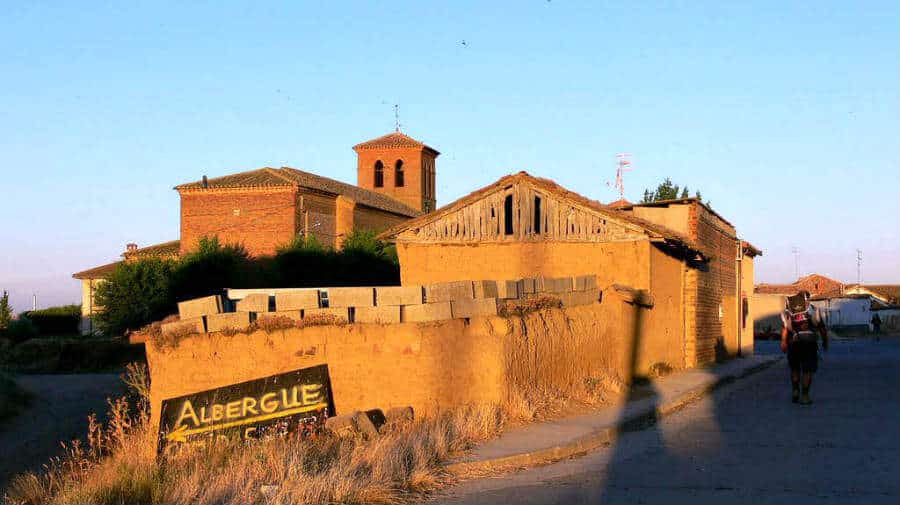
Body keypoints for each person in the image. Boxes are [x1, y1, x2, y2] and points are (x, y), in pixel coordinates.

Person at [781, 290, 828, 405]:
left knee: (795, 369)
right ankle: (805, 396)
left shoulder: (789, 311)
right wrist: (825, 341)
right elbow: (822, 328)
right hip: (809, 344)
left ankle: (795, 391)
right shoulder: (813, 310)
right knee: (807, 370)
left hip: (794, 344)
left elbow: (785, 329)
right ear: (808, 298)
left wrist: (783, 343)